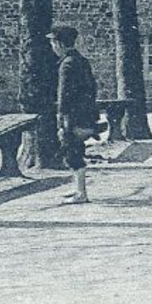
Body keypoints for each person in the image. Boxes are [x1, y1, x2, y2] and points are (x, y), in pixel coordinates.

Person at [50, 25, 100, 205]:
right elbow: (92, 88)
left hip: (72, 116)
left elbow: (64, 95)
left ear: (60, 43)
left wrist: (61, 117)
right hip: (85, 113)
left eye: (53, 42)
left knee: (72, 151)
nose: (52, 47)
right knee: (75, 149)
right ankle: (78, 187)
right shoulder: (81, 60)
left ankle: (81, 193)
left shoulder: (67, 64)